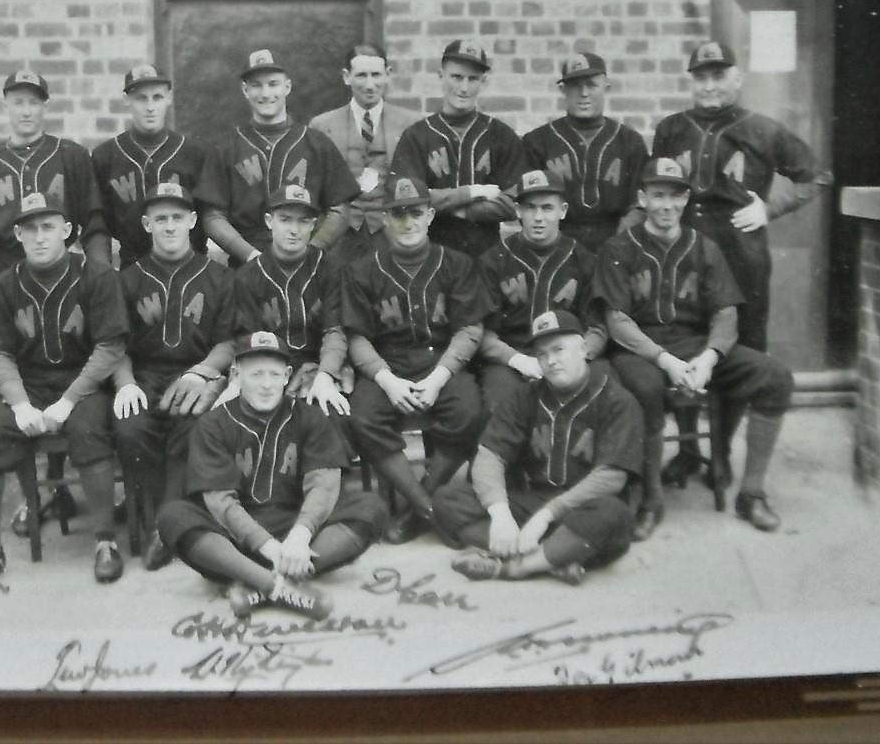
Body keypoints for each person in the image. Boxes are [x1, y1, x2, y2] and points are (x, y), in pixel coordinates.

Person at [651, 39, 829, 485]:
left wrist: (769, 210)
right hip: (683, 248)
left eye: (718, 75)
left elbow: (816, 175)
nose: (710, 85)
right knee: (685, 343)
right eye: (701, 76)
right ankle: (689, 450)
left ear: (736, 78)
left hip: (740, 253)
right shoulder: (672, 129)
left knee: (738, 350)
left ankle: (723, 452)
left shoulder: (762, 129)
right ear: (692, 81)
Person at [592, 157, 794, 539]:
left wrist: (709, 357)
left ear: (685, 199)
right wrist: (665, 360)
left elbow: (726, 312)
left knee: (776, 378)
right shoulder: (619, 247)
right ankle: (651, 500)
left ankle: (751, 494)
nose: (666, 206)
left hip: (694, 345)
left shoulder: (704, 246)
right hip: (638, 349)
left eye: (675, 196)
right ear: (642, 198)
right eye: (657, 196)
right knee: (646, 389)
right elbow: (616, 321)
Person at [0, 68, 109, 533]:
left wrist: (100, 277)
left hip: (57, 273)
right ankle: (28, 499)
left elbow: (94, 224)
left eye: (33, 101)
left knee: (59, 371)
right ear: (5, 105)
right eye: (16, 100)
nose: (25, 109)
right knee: (3, 386)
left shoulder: (72, 157)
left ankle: (56, 490)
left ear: (44, 106)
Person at [0, 192, 129, 589]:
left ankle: (105, 542)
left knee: (89, 433)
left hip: (85, 385)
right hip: (29, 384)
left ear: (67, 232)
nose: (40, 237)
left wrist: (69, 400)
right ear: (18, 234)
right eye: (31, 228)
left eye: (48, 227)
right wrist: (18, 405)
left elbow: (110, 347)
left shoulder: (97, 275)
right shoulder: (4, 285)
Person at [156, 332, 389, 621]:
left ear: (287, 375)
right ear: (236, 375)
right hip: (234, 538)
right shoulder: (213, 424)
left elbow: (324, 486)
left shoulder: (310, 417)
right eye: (256, 374)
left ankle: (255, 586)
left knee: (371, 507)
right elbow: (220, 501)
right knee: (173, 516)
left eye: (274, 374)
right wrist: (269, 547)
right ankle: (276, 584)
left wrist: (301, 535)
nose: (267, 384)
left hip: (297, 533)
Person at [434, 310, 642, 586]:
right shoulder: (524, 396)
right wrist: (501, 514)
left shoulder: (617, 399)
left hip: (583, 508)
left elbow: (611, 477)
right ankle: (557, 557)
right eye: (542, 354)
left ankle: (515, 567)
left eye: (559, 349)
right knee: (447, 500)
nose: (551, 361)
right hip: (531, 502)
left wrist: (546, 516)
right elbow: (489, 455)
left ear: (583, 348)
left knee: (614, 515)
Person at [341, 173, 491, 544]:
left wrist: (439, 377)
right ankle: (426, 507)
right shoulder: (362, 268)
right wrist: (387, 380)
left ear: (430, 216)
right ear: (386, 220)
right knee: (363, 416)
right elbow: (356, 336)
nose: (408, 222)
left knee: (470, 411)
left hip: (441, 361)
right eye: (398, 214)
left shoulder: (456, 263)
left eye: (416, 213)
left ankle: (414, 506)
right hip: (388, 364)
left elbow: (470, 330)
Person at [112, 182, 235, 569]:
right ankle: (159, 516)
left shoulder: (218, 277)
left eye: (177, 218)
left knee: (193, 423)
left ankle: (165, 527)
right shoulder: (127, 279)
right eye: (160, 218)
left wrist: (203, 373)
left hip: (198, 374)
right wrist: (125, 383)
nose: (169, 226)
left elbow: (230, 340)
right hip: (145, 375)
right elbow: (114, 345)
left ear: (192, 221)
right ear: (147, 224)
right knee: (131, 429)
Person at [194, 48, 361, 265]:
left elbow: (340, 209)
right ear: (245, 90)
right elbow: (213, 216)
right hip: (247, 261)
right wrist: (249, 255)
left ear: (287, 87)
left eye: (273, 84)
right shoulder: (226, 148)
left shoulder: (316, 143)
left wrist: (313, 250)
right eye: (256, 85)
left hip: (307, 259)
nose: (265, 94)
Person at [475, 169, 608, 416]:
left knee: (607, 392)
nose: (538, 217)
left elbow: (597, 327)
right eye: (530, 208)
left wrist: (578, 358)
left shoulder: (584, 259)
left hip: (570, 357)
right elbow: (483, 332)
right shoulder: (493, 260)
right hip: (513, 358)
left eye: (547, 208)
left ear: (563, 211)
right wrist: (517, 360)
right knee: (498, 400)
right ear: (517, 212)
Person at [389, 39, 527, 258]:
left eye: (472, 79)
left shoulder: (501, 135)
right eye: (457, 77)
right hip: (430, 254)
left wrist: (461, 209)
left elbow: (516, 203)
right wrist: (472, 193)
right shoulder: (416, 136)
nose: (464, 88)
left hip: (486, 255)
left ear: (484, 81)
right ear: (441, 75)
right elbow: (407, 200)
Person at [231, 185, 351, 418]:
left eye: (303, 221)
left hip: (320, 365)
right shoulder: (247, 275)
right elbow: (247, 340)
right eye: (285, 220)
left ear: (314, 224)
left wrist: (325, 374)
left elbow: (334, 331)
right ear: (269, 221)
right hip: (267, 369)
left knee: (333, 414)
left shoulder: (331, 269)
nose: (294, 230)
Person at [522, 53, 648, 253]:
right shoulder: (538, 141)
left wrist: (617, 245)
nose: (583, 93)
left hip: (616, 242)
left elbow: (639, 205)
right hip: (556, 245)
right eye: (575, 86)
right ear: (563, 90)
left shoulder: (629, 141)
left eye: (591, 84)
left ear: (606, 87)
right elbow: (528, 204)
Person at [308, 43, 419, 260]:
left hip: (391, 235)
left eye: (376, 75)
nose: (370, 85)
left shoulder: (410, 125)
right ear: (346, 77)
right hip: (339, 240)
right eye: (361, 75)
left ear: (387, 75)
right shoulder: (322, 126)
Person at [91, 64, 206, 269]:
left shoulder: (194, 154)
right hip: (132, 266)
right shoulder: (105, 156)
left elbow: (208, 217)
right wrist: (104, 273)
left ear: (169, 98)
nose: (150, 107)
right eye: (141, 98)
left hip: (190, 268)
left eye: (157, 97)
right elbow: (98, 224)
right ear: (127, 100)